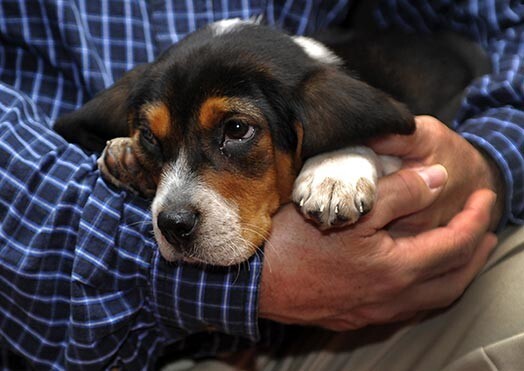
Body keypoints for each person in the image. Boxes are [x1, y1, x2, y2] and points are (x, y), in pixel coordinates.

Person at [0, 1, 522, 370]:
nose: (174, 210)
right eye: (154, 144)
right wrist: (218, 287)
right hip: (94, 339)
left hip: (362, 319)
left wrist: (491, 159)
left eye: (234, 130)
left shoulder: (322, 102)